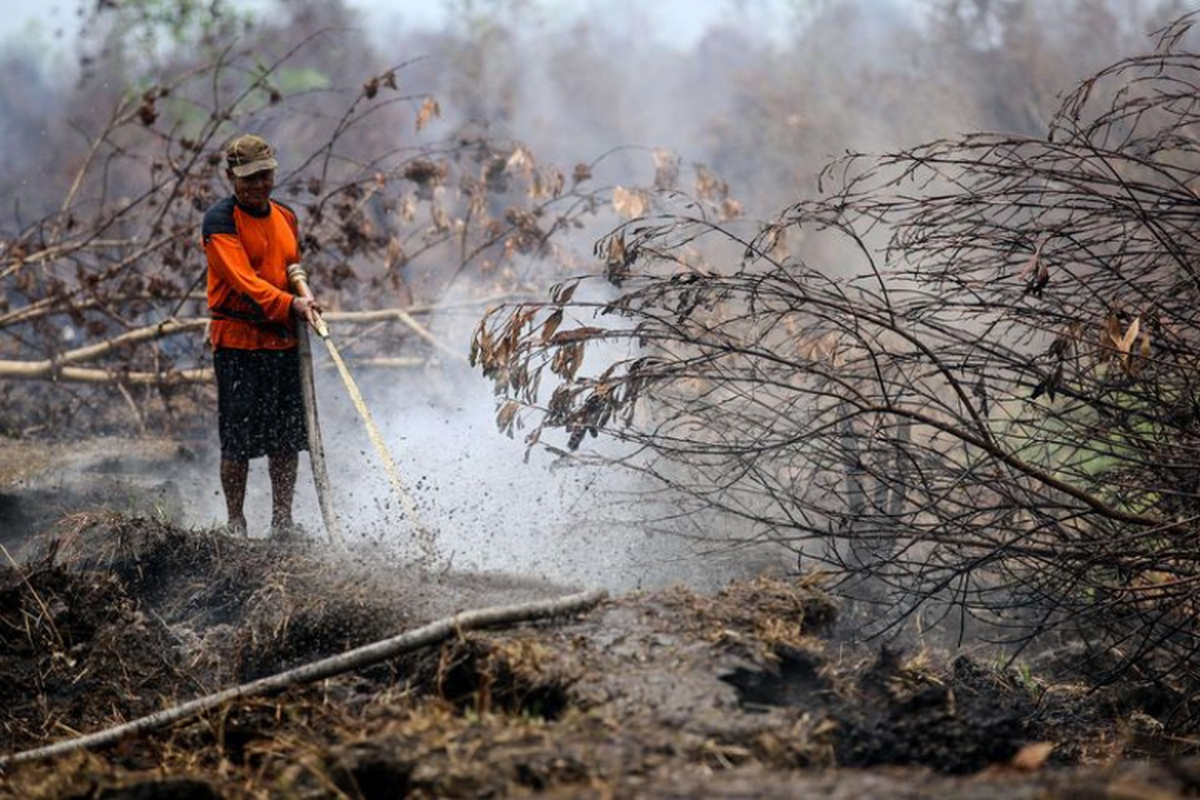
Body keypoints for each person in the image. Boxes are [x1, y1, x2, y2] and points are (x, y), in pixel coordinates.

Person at [202, 133, 323, 538]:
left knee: (285, 436)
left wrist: (303, 297)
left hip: (283, 342)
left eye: (264, 176)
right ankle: (236, 524)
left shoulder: (286, 216)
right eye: (248, 178)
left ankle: (282, 521)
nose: (257, 186)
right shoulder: (220, 222)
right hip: (238, 343)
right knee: (237, 439)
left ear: (273, 173)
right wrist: (291, 305)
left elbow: (291, 267)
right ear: (231, 178)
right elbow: (245, 282)